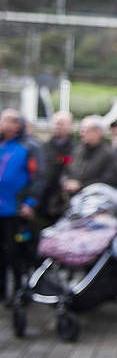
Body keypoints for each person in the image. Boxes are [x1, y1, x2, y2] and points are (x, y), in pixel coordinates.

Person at [0, 109, 45, 304]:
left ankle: (20, 292)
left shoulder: (30, 147)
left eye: (4, 120)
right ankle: (2, 293)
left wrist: (30, 202)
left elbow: (40, 177)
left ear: (16, 125)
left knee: (16, 253)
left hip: (16, 210)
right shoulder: (3, 145)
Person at [62, 115, 117, 195]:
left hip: (94, 197)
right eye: (81, 129)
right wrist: (66, 182)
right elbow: (65, 167)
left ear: (98, 132)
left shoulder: (109, 154)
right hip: (69, 197)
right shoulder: (75, 150)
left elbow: (109, 180)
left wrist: (81, 185)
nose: (82, 133)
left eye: (86, 130)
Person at [38, 111, 74, 224]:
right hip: (43, 196)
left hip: (64, 198)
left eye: (61, 124)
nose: (58, 126)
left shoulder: (75, 148)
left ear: (70, 126)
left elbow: (70, 165)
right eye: (56, 123)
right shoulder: (43, 146)